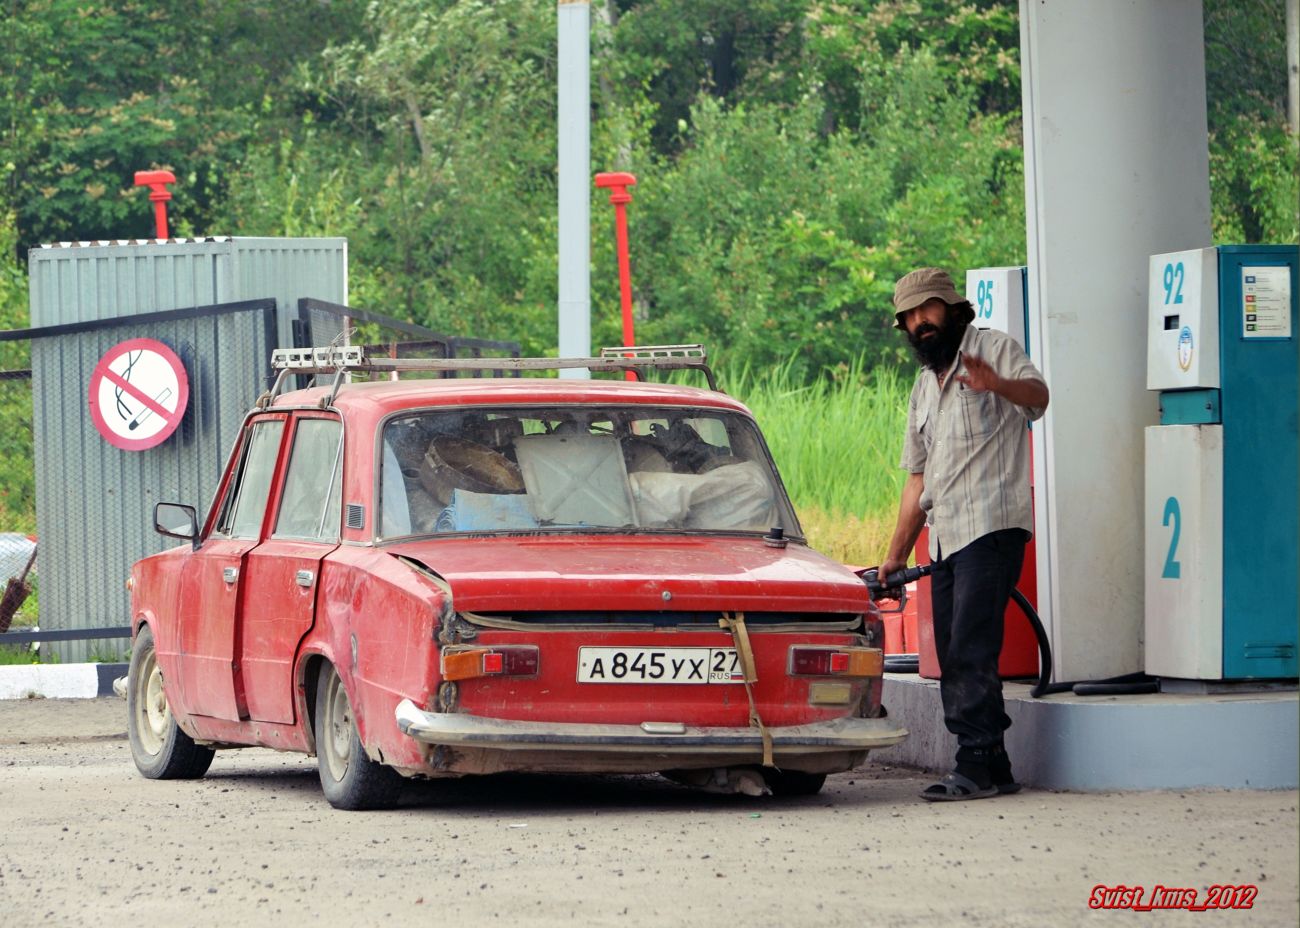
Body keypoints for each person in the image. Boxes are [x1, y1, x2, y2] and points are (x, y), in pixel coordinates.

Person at [878, 267, 1049, 801]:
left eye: (927, 309)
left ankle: (972, 763)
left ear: (952, 308)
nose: (919, 322)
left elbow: (1038, 397)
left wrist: (996, 384)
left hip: (991, 526)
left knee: (971, 649)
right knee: (955, 651)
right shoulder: (923, 386)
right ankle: (995, 764)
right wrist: (894, 555)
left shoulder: (993, 350)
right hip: (946, 536)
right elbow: (917, 479)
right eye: (909, 316)